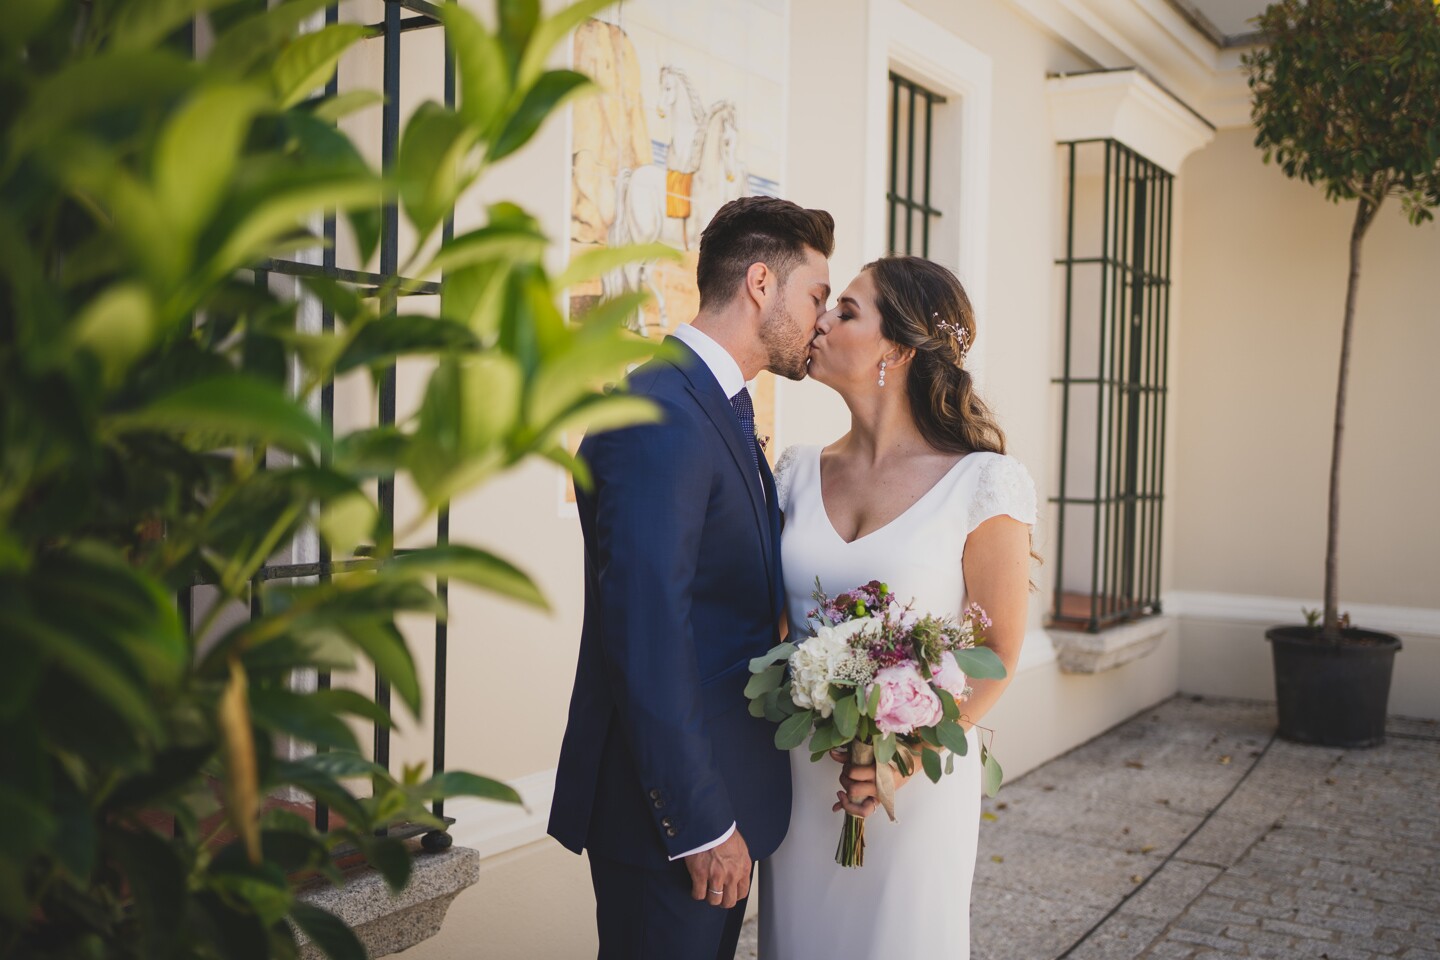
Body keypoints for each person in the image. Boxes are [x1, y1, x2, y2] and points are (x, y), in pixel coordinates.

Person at [548, 196, 835, 960]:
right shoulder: (662, 415)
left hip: (720, 797)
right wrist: (700, 823)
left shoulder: (716, 407)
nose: (823, 320)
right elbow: (647, 635)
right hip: (670, 823)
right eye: (816, 296)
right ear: (762, 284)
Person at [759, 255, 1036, 958]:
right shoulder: (794, 473)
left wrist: (901, 757)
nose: (820, 320)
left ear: (899, 349)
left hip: (912, 787)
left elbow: (998, 652)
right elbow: (774, 631)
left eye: (847, 311)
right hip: (802, 778)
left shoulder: (983, 483)